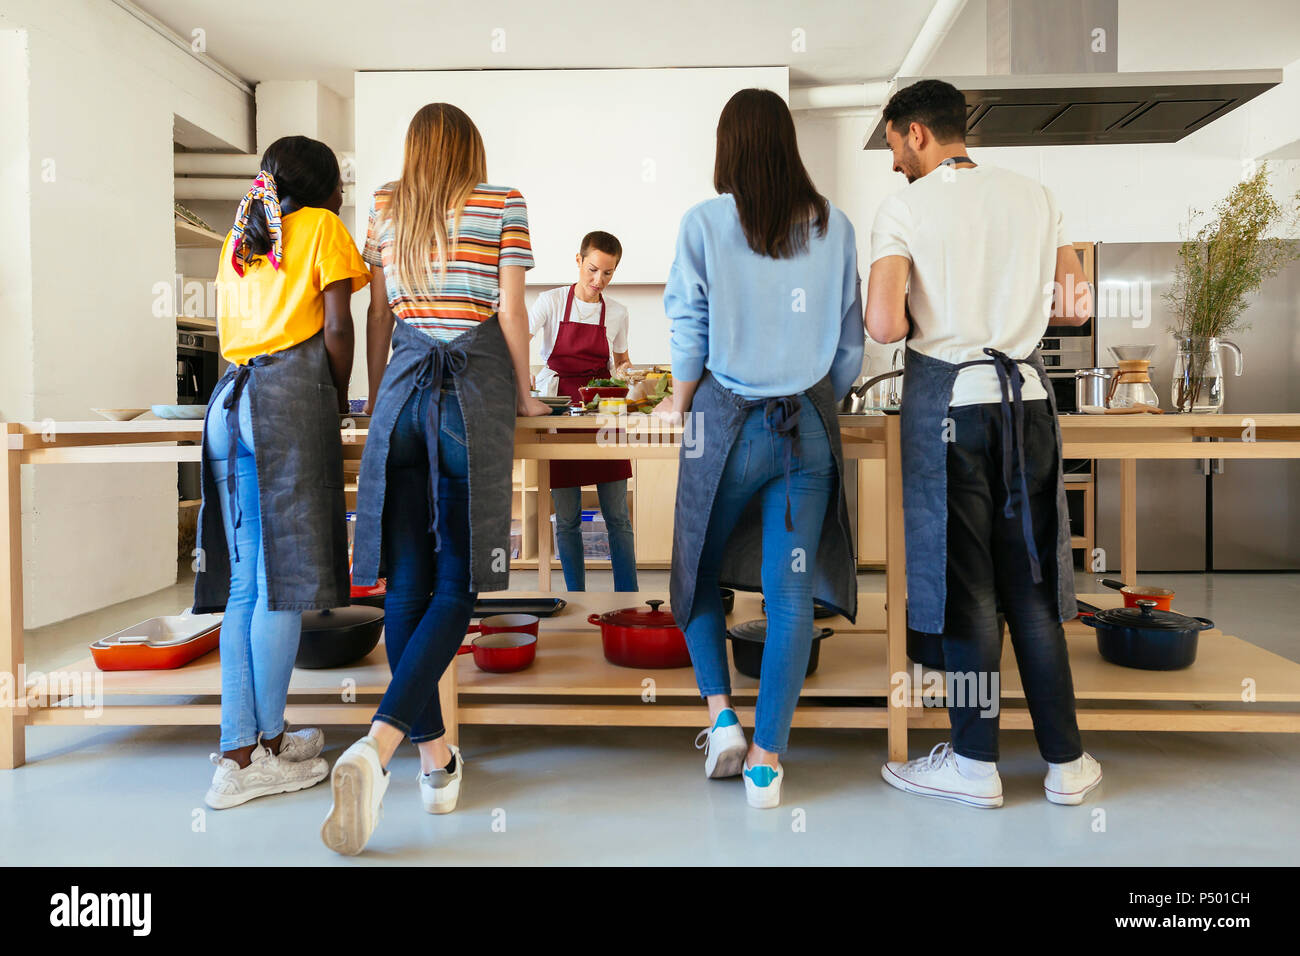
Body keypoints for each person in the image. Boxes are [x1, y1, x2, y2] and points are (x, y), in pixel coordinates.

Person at [865, 79, 1101, 808]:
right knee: (1030, 585)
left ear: (917, 133)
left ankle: (974, 765)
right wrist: (1007, 306)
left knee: (968, 591)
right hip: (1027, 405)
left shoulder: (906, 206)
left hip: (951, 415)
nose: (894, 160)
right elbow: (1075, 305)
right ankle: (1067, 765)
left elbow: (884, 326)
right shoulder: (1036, 194)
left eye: (895, 145)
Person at [323, 103, 550, 855]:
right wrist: (523, 394)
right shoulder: (502, 202)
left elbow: (381, 320)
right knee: (461, 584)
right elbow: (512, 313)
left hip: (403, 395)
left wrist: (380, 397)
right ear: (471, 150)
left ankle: (436, 762)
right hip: (473, 396)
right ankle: (380, 747)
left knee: (406, 587)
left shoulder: (386, 206)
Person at [658, 88, 863, 809]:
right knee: (789, 594)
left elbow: (689, 327)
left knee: (699, 571)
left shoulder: (705, 223)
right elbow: (848, 344)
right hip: (803, 426)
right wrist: (817, 393)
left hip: (722, 419)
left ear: (728, 148)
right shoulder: (833, 226)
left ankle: (720, 719)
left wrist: (680, 404)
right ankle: (768, 765)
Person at [194, 136, 369, 809]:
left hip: (228, 404)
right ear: (328, 190)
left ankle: (256, 744)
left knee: (246, 585)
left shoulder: (242, 239)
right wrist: (338, 399)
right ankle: (246, 755)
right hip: (283, 402)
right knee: (283, 583)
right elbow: (336, 330)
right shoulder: (323, 226)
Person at [529, 231, 637, 592]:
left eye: (608, 273)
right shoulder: (550, 302)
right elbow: (517, 339)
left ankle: (628, 597)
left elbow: (620, 362)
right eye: (592, 270)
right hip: (560, 415)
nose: (598, 281)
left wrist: (629, 375)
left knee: (618, 517)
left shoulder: (618, 313)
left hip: (602, 413)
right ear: (578, 260)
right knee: (567, 518)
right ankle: (576, 597)